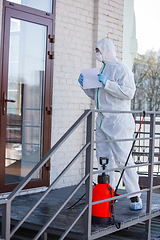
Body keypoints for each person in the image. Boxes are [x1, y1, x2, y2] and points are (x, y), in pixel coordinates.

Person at [78, 38, 142, 211]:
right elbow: (98, 97)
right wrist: (85, 85)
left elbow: (129, 93)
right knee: (104, 160)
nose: (97, 53)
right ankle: (108, 193)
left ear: (107, 50)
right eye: (96, 50)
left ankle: (135, 196)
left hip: (119, 121)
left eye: (99, 50)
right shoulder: (101, 70)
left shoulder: (121, 69)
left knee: (123, 159)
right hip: (102, 120)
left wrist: (107, 83)